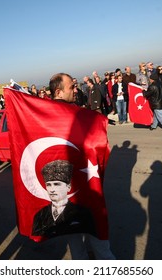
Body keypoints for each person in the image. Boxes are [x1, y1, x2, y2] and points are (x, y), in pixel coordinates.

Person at [48, 73, 115, 259]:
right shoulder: (63, 114)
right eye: (72, 87)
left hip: (76, 189)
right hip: (74, 192)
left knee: (80, 246)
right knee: (97, 245)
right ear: (59, 91)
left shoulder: (59, 112)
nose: (76, 90)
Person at [32, 160, 96, 238]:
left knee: (98, 246)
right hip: (60, 246)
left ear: (68, 187)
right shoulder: (40, 215)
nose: (52, 189)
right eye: (48, 185)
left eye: (56, 184)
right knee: (75, 247)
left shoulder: (82, 212)